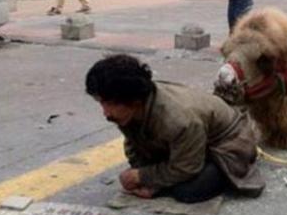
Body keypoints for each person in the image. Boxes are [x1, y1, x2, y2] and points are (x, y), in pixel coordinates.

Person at [85, 54, 265, 203]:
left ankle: (220, 174)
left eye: (109, 103)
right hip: (192, 140)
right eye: (101, 102)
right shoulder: (130, 110)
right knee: (149, 171)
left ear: (135, 102)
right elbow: (133, 143)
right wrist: (142, 170)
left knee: (188, 191)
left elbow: (187, 167)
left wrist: (145, 177)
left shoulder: (179, 119)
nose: (105, 112)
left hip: (229, 142)